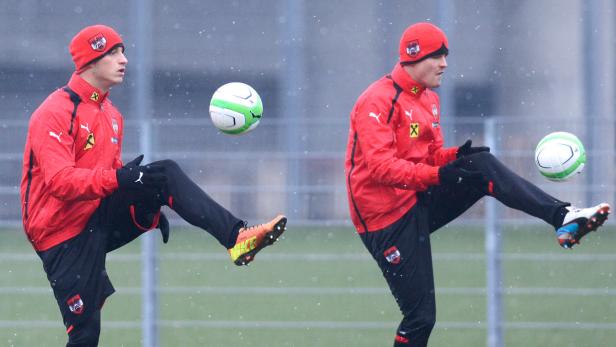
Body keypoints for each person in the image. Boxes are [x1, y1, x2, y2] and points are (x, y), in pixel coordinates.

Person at [344, 22, 610, 347]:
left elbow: (427, 156)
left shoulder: (428, 101)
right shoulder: (377, 100)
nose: (444, 64)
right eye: (437, 56)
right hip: (385, 221)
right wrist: (440, 174)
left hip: (415, 199)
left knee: (480, 165)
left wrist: (455, 156)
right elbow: (381, 168)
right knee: (421, 319)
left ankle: (563, 217)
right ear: (413, 57)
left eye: (446, 56)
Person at [20, 24, 287, 347]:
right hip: (61, 235)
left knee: (164, 176)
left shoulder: (112, 114)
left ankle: (238, 237)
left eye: (123, 51)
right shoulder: (54, 112)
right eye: (113, 53)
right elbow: (61, 182)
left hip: (96, 217)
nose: (124, 60)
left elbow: (111, 175)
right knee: (85, 335)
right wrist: (122, 179)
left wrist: (144, 199)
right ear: (90, 61)